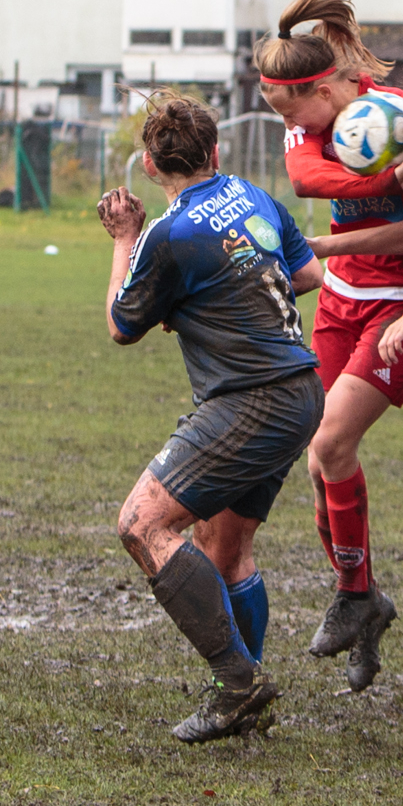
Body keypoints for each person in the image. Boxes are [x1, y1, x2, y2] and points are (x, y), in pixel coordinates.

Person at [253, 0, 403, 692]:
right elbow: (308, 178)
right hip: (343, 301)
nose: (288, 119)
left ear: (327, 85)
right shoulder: (307, 120)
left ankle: (352, 595)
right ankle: (364, 596)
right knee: (320, 460)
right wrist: (377, 174)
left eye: (292, 106)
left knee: (330, 442)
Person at [99, 94, 326, 743]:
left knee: (142, 524)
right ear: (217, 150)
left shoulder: (165, 235)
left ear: (148, 164)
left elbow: (120, 323)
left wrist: (123, 239)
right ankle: (243, 702)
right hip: (301, 389)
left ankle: (237, 680)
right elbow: (305, 272)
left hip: (250, 401)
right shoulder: (255, 196)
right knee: (225, 547)